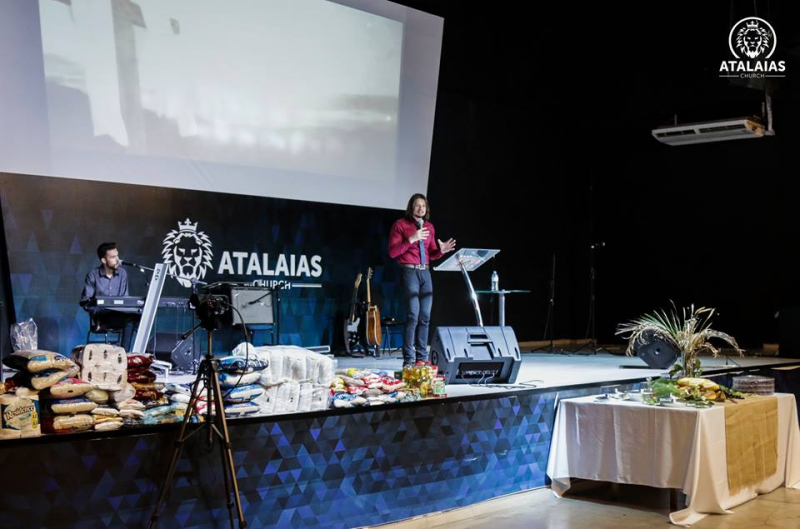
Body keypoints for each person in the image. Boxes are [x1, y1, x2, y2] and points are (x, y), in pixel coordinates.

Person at [388, 193, 456, 367]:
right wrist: (412, 239)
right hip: (409, 272)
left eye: (424, 206)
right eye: (417, 205)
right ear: (411, 207)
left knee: (425, 317)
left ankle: (421, 358)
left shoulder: (429, 227)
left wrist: (441, 250)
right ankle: (408, 360)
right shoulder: (400, 225)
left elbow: (431, 253)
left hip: (425, 273)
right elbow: (393, 252)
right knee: (413, 315)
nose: (421, 208)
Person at [80, 242, 140, 350]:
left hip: (121, 315)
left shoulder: (122, 273)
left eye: (117, 255)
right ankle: (125, 353)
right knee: (131, 320)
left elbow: (124, 298)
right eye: (113, 257)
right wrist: (101, 307)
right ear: (104, 260)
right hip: (102, 318)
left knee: (141, 318)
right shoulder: (93, 275)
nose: (118, 259)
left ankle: (143, 353)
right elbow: (86, 302)